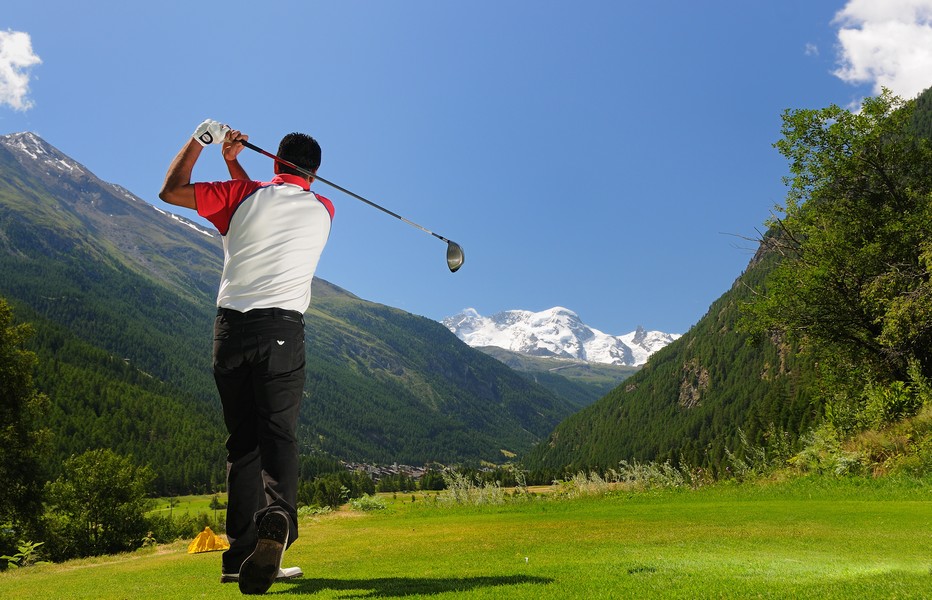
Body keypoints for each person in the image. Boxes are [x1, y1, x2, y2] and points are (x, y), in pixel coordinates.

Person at [159, 119, 334, 595]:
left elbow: (172, 191)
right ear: (314, 175)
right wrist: (236, 166)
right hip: (282, 332)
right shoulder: (325, 208)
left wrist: (205, 143)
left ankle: (238, 559)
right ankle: (277, 520)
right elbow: (264, 202)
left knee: (243, 446)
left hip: (230, 333)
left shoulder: (242, 198)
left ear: (274, 160)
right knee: (277, 434)